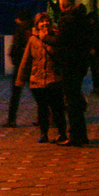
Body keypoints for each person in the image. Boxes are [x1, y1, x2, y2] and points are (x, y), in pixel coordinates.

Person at [49, 0, 94, 145]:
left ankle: (75, 136)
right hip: (81, 62)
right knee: (75, 98)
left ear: (62, 5)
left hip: (69, 63)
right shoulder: (81, 18)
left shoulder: (67, 20)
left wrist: (46, 38)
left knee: (71, 101)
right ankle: (82, 135)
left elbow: (61, 41)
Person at [16, 13, 65, 143]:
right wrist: (20, 79)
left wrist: (47, 39)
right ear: (37, 24)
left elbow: (59, 55)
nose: (44, 24)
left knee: (57, 108)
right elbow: (26, 60)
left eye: (47, 21)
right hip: (37, 80)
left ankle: (62, 133)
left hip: (53, 78)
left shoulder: (55, 37)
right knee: (42, 108)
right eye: (41, 22)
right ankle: (44, 133)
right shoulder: (32, 39)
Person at [4, 12, 30, 126]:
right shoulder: (33, 29)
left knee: (15, 93)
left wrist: (14, 59)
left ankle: (11, 119)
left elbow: (16, 48)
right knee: (38, 92)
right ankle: (45, 116)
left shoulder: (19, 30)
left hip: (20, 65)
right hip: (32, 64)